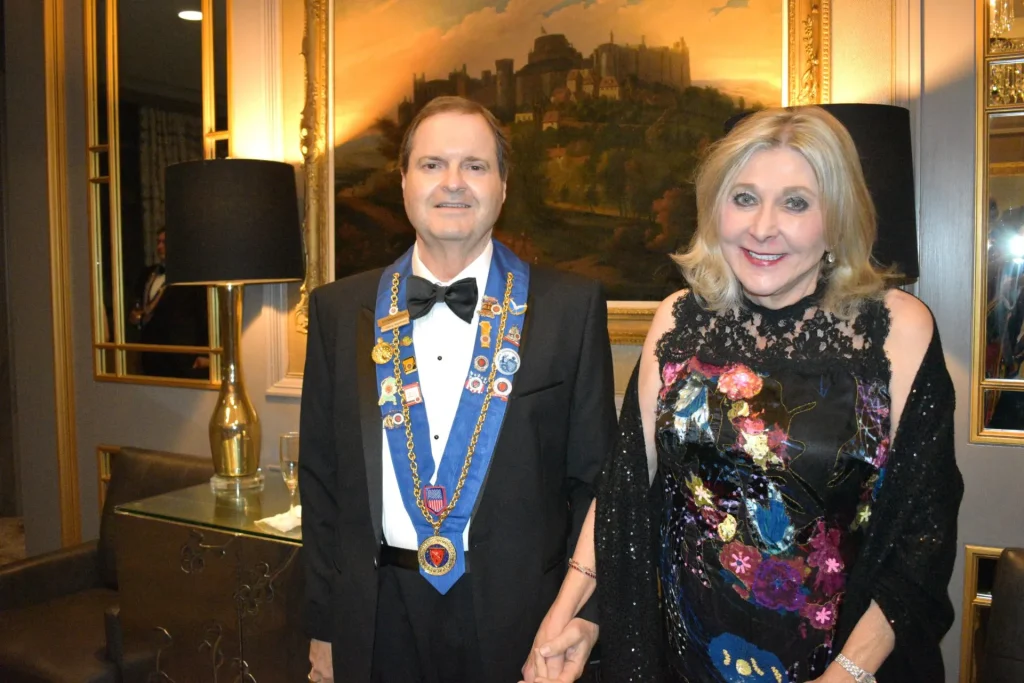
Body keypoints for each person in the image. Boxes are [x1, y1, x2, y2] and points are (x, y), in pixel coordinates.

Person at [523, 106, 963, 683]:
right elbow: (624, 489)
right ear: (716, 210)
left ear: (837, 219)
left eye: (796, 203)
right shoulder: (677, 320)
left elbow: (923, 540)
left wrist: (847, 674)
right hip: (683, 664)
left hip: (842, 664)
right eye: (745, 198)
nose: (762, 227)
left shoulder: (898, 330)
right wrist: (567, 617)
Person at [299, 95, 615, 683]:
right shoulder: (338, 309)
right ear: (403, 182)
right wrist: (323, 624)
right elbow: (320, 481)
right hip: (373, 618)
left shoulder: (570, 308)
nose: (453, 182)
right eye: (431, 164)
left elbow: (598, 483)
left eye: (475, 165)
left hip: (526, 623)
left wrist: (585, 616)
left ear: (502, 186)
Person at [128, 229, 210, 378]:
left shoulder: (192, 276)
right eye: (158, 242)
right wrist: (135, 316)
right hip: (149, 353)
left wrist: (206, 353)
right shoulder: (148, 274)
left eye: (164, 242)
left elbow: (205, 315)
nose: (159, 247)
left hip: (180, 355)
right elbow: (138, 303)